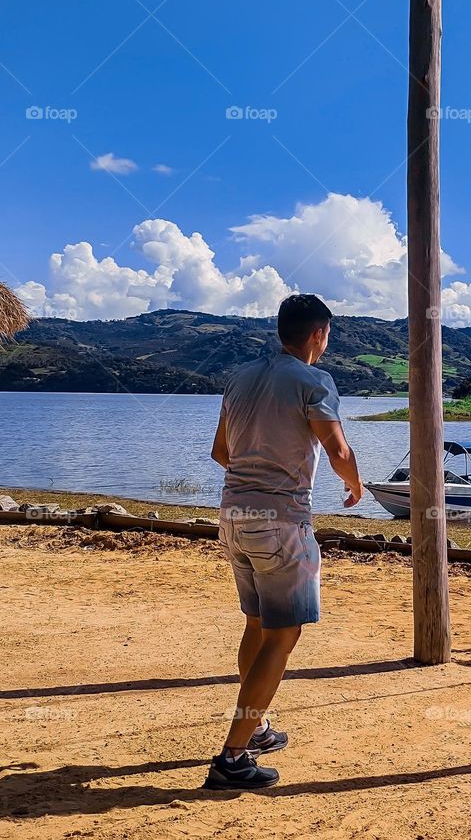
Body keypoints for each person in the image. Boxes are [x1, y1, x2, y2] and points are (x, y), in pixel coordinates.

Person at [204, 293, 365, 790]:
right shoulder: (314, 381)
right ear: (318, 334)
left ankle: (257, 729)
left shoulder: (240, 378)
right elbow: (337, 448)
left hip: (234, 513)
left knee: (257, 623)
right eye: (328, 335)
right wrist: (355, 484)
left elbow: (220, 451)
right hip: (281, 520)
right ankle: (232, 758)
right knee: (284, 634)